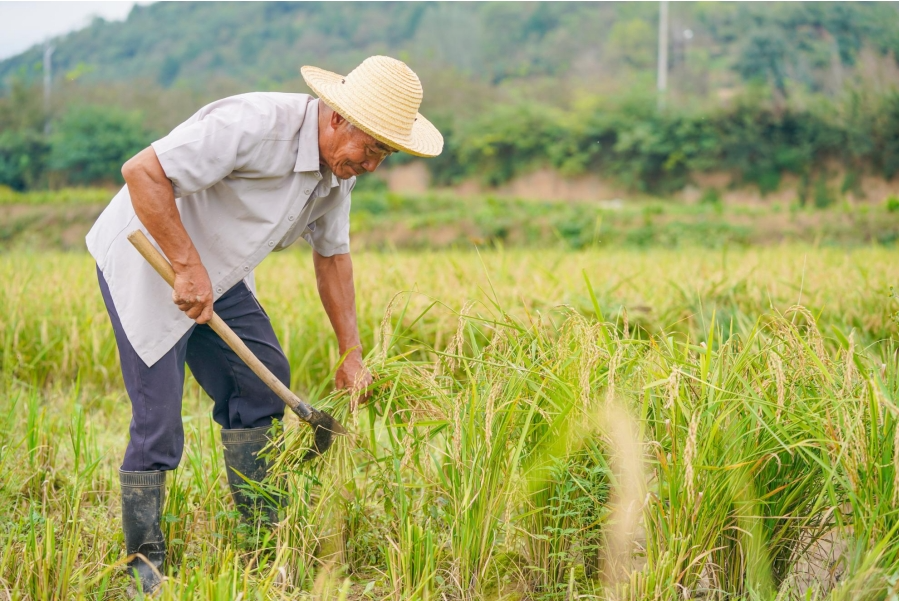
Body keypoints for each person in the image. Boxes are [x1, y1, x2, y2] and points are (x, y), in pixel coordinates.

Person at [85, 55, 443, 594]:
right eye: (371, 148)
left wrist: (352, 353)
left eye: (384, 155)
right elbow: (143, 171)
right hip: (148, 254)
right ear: (338, 118)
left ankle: (261, 540)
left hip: (217, 273)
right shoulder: (253, 124)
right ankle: (143, 563)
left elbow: (333, 258)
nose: (372, 165)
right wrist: (184, 265)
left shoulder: (336, 176)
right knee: (158, 418)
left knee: (261, 379)